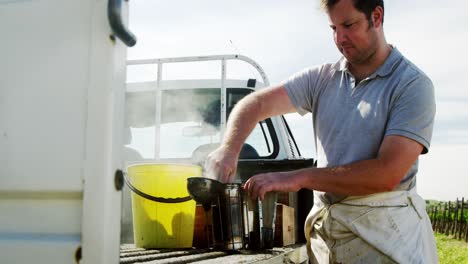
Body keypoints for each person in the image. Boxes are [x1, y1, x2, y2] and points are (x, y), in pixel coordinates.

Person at [205, 0, 438, 262]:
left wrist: (298, 178)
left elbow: (386, 174)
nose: (339, 38)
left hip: (387, 243)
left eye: (348, 25)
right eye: (333, 28)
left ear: (377, 16)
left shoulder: (412, 85)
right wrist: (229, 148)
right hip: (326, 241)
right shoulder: (322, 79)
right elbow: (255, 103)